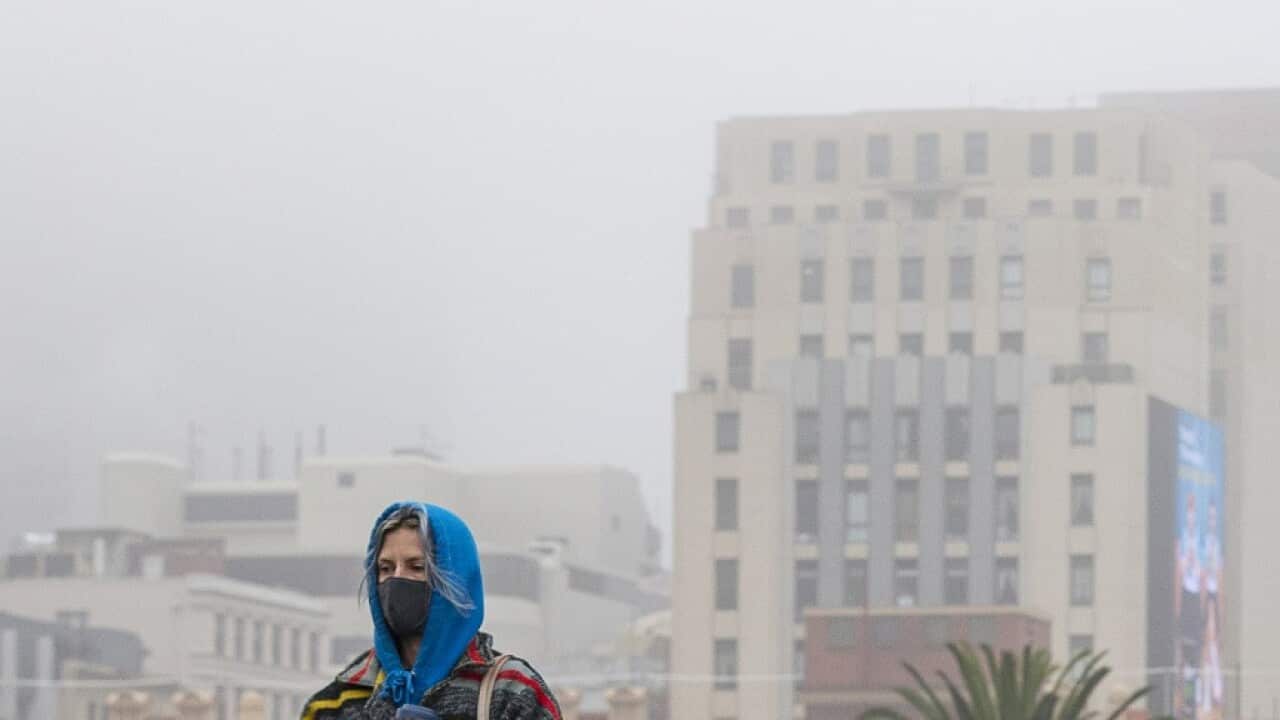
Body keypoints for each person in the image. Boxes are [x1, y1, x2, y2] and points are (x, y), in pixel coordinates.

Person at [301, 502, 562, 720]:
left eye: (416, 567)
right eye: (385, 568)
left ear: (455, 579)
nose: (397, 579)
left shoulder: (512, 691)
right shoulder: (339, 699)